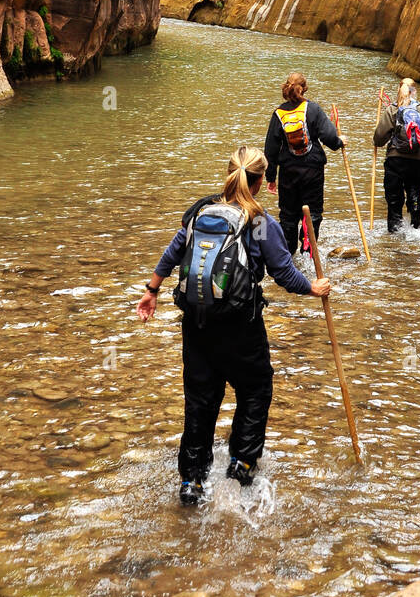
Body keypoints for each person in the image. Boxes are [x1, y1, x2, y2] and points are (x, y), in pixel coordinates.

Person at [136, 145, 331, 506]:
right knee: (255, 390)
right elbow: (284, 273)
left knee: (200, 400)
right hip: (241, 326)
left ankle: (192, 482)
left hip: (196, 325)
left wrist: (151, 292)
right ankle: (241, 464)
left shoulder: (200, 213)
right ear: (258, 182)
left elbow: (173, 253)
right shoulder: (259, 222)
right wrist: (313, 287)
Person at [263, 72, 344, 257]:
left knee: (288, 215)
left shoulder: (278, 113)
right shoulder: (313, 109)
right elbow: (330, 138)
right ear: (304, 88)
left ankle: (288, 255)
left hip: (288, 173)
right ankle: (308, 252)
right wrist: (340, 142)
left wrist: (270, 177)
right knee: (313, 213)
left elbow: (271, 148)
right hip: (312, 170)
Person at [373, 78, 420, 231]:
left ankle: (394, 235)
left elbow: (379, 139)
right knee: (414, 191)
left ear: (399, 89)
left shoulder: (392, 110)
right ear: (414, 91)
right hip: (416, 162)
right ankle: (416, 228)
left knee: (394, 198)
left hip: (394, 160)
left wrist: (377, 140)